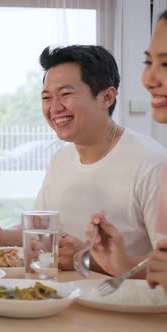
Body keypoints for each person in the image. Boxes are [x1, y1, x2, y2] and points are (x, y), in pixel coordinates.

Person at [0, 45, 167, 272]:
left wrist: (90, 260)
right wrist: (0, 236)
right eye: (46, 97)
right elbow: (43, 232)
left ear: (107, 97)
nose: (54, 108)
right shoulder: (62, 158)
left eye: (66, 94)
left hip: (122, 303)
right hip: (61, 297)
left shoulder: (152, 164)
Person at [87, 9, 167, 291]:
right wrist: (121, 264)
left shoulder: (153, 161)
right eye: (148, 62)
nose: (148, 79)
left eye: (166, 64)